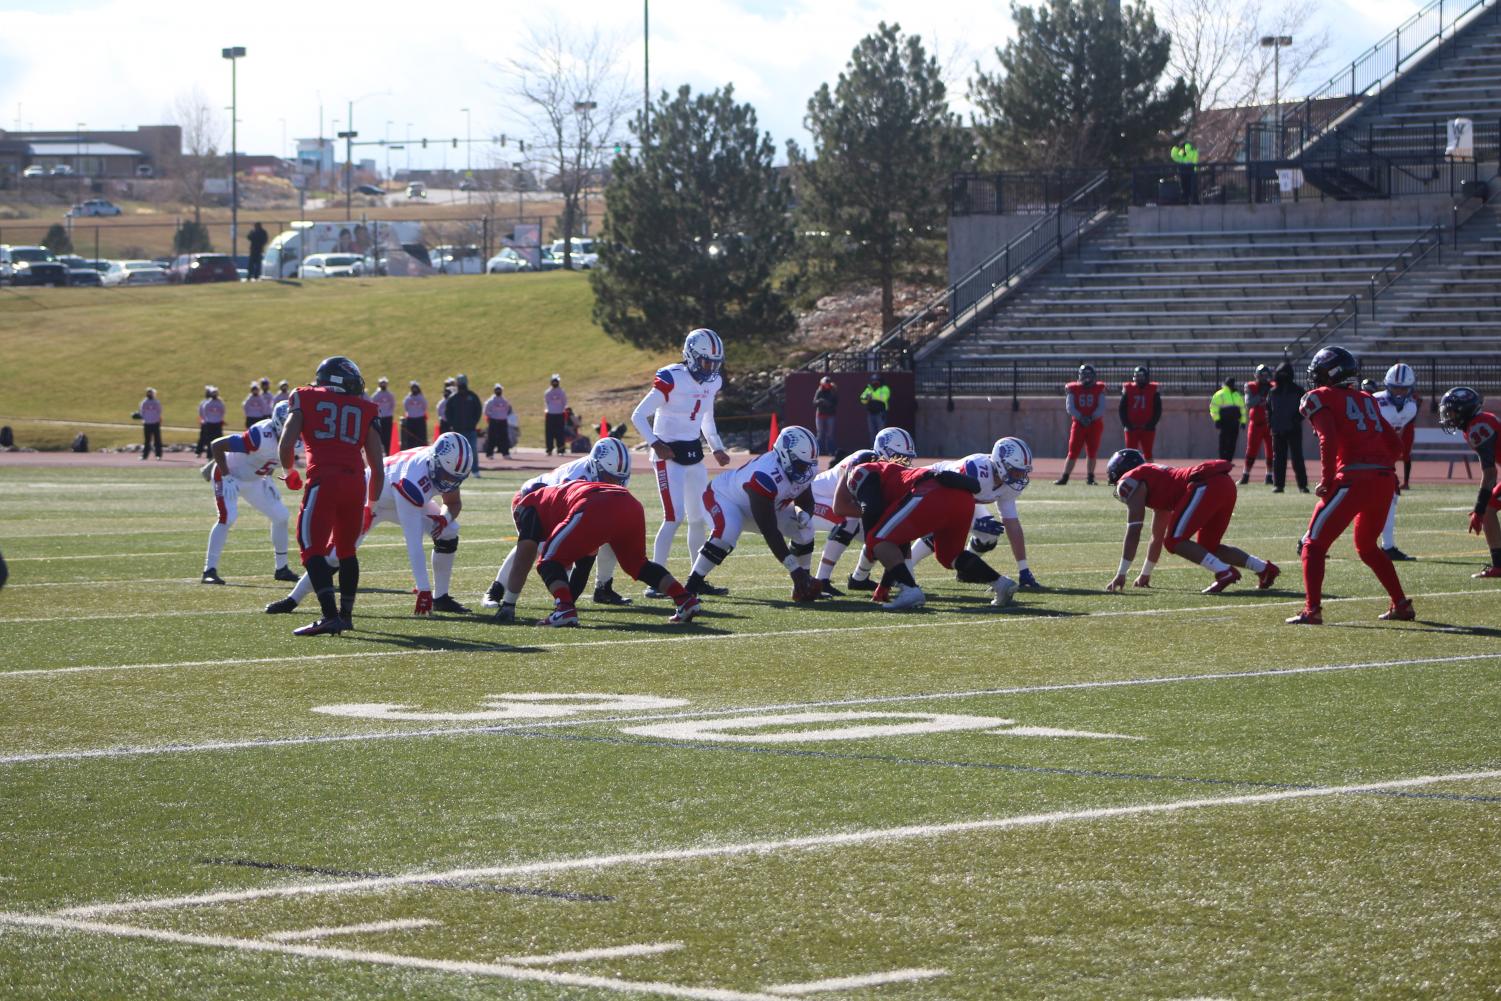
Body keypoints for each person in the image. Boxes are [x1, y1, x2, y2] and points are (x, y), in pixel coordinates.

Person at [268, 432, 472, 618]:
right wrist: (423, 587)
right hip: (369, 498)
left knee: (448, 531)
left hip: (397, 495)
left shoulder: (446, 468)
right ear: (434, 462)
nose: (449, 482)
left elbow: (453, 503)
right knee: (335, 556)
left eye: (455, 478)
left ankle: (441, 597)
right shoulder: (414, 477)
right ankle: (293, 599)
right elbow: (413, 540)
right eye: (447, 476)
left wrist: (444, 517)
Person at [1286, 346, 1412, 625]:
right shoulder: (1366, 399)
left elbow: (1327, 440)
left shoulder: (1318, 397)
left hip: (1353, 479)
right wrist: (1379, 467)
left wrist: (1329, 479)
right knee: (1367, 547)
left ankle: (1313, 609)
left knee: (1312, 544)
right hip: (1383, 479)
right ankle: (1401, 604)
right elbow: (1397, 447)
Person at [493, 477, 701, 628]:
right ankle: (684, 599)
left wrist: (509, 604)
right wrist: (568, 603)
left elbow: (523, 560)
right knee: (636, 564)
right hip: (628, 502)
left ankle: (563, 610)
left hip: (595, 504)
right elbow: (582, 568)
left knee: (547, 560)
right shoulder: (561, 499)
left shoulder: (531, 504)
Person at [277, 355, 385, 637]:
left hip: (324, 480)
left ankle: (329, 616)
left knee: (311, 547)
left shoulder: (304, 397)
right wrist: (371, 504)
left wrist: (289, 472)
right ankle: (345, 616)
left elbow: (287, 441)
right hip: (356, 483)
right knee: (347, 550)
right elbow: (377, 464)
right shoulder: (366, 408)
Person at [834, 455, 1019, 611]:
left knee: (876, 539)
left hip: (931, 490)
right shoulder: (893, 476)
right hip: (963, 498)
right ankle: (1001, 584)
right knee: (950, 555)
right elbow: (900, 541)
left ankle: (910, 590)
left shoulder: (860, 471)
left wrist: (872, 540)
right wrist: (884, 586)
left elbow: (871, 511)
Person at [630, 329, 730, 595]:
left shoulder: (713, 382)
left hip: (693, 453)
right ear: (692, 355)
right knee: (674, 517)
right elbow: (638, 415)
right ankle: (656, 581)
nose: (710, 368)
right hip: (668, 456)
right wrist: (655, 443)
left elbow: (707, 418)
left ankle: (695, 579)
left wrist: (716, 447)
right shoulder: (672, 377)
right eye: (706, 361)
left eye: (714, 363)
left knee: (698, 518)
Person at [483, 437, 636, 609]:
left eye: (619, 479)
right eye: (610, 477)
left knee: (612, 535)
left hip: (560, 504)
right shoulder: (576, 479)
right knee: (538, 548)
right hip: (531, 502)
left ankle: (602, 588)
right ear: (596, 466)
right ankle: (496, 591)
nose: (615, 484)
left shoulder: (604, 477)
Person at [1104, 448, 1279, 595]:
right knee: (1208, 546)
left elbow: (1134, 530)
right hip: (1224, 484)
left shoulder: (1129, 481)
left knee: (1174, 541)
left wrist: (1121, 573)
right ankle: (1264, 569)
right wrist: (1145, 574)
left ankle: (1224, 572)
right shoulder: (1155, 483)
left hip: (1205, 484)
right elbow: (1156, 537)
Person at [681, 425, 819, 600]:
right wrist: (793, 569)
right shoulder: (764, 475)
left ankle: (805, 582)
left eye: (808, 465)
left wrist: (804, 513)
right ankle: (692, 585)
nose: (805, 470)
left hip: (765, 507)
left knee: (805, 528)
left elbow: (805, 500)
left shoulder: (805, 468)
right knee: (728, 532)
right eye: (800, 465)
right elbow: (769, 530)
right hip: (725, 498)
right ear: (785, 455)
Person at [908, 436, 1043, 590]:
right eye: (1016, 471)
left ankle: (965, 572)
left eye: (1022, 472)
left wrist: (1023, 569)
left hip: (961, 501)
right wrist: (974, 523)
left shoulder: (1009, 485)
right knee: (944, 528)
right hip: (932, 488)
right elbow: (951, 503)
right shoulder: (977, 469)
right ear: (1000, 463)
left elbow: (1012, 524)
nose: (1019, 477)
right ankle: (904, 569)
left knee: (989, 536)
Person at [810, 427, 919, 595]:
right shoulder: (861, 461)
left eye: (907, 458)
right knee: (851, 521)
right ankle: (821, 580)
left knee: (887, 532)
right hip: (815, 498)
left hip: (842, 505)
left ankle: (859, 579)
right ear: (884, 451)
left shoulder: (890, 471)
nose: (904, 463)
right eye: (900, 457)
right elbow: (840, 507)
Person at [201, 401, 297, 586]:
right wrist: (227, 476)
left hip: (254, 480)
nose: (294, 429)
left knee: (281, 516)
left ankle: (282, 568)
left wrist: (268, 477)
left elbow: (272, 458)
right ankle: (209, 570)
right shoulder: (261, 434)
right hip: (229, 474)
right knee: (227, 518)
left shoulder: (298, 439)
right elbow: (217, 445)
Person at [1437, 386, 1501, 578]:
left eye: (1451, 412)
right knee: (1489, 509)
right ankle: (1499, 565)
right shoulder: (1478, 423)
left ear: (1464, 410)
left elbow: (1490, 474)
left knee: (1487, 509)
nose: (1448, 416)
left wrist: (1479, 509)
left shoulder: (1479, 427)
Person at [1375, 364, 1421, 561]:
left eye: (1403, 388)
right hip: (1360, 456)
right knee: (1342, 501)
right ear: (1387, 385)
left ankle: (1388, 546)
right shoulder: (1374, 401)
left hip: (1381, 459)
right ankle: (1309, 540)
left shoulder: (1411, 407)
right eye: (1395, 388)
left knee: (1392, 497)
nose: (1399, 392)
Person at [1055, 364, 1107, 485]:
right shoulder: (1073, 388)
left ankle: (1090, 477)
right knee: (1073, 451)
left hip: (1094, 424)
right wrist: (1081, 417)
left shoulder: (1099, 388)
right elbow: (1070, 407)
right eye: (1084, 375)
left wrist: (1091, 417)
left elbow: (1101, 407)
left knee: (1092, 452)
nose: (1086, 378)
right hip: (1078, 424)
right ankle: (1065, 477)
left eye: (1088, 376)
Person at [1267, 361, 1309, 493]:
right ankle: (1279, 485)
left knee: (1297, 458)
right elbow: (1268, 409)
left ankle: (1302, 485)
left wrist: (1296, 419)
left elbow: (1305, 408)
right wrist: (1271, 424)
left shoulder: (1298, 390)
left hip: (1293, 429)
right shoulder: (1273, 392)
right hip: (1278, 429)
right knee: (1278, 459)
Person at [1118, 365, 1161, 460]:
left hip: (1147, 427)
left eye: (1141, 376)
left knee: (1148, 453)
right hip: (1131, 428)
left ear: (1146, 377)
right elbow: (1122, 409)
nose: (1138, 379)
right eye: (1137, 376)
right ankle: (1131, 473)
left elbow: (1158, 410)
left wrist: (1151, 424)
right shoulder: (1128, 389)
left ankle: (1150, 472)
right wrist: (1127, 424)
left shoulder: (1153, 389)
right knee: (1130, 453)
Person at [1242, 364, 1275, 485]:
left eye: (1266, 375)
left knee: (1271, 451)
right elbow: (1249, 403)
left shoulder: (1272, 387)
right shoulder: (1251, 386)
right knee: (1251, 450)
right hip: (1256, 424)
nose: (1265, 378)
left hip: (1269, 423)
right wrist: (1261, 396)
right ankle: (1246, 474)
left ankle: (1269, 475)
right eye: (1263, 375)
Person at [445, 374, 483, 477]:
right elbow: (448, 413)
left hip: (470, 429)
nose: (462, 385)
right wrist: (453, 424)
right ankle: (457, 471)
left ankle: (475, 470)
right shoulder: (453, 398)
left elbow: (478, 410)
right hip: (458, 430)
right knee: (457, 452)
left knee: (473, 450)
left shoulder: (472, 396)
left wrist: (474, 422)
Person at [1210, 377, 1245, 462]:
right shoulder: (1219, 394)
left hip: (1235, 422)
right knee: (1223, 442)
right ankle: (1222, 460)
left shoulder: (1237, 395)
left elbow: (1242, 409)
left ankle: (1229, 460)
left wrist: (1243, 421)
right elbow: (1213, 408)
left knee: (1232, 442)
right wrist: (1217, 420)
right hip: (1224, 422)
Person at [484, 384, 512, 458]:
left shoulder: (504, 401)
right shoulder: (491, 401)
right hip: (494, 421)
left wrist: (503, 416)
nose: (498, 391)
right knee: (492, 438)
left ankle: (505, 453)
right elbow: (486, 411)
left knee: (504, 438)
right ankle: (490, 454)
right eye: (497, 390)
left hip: (503, 421)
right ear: (494, 391)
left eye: (499, 389)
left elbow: (508, 409)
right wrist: (491, 417)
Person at [196, 386, 225, 457]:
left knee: (219, 439)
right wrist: (206, 420)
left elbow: (223, 412)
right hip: (208, 423)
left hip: (217, 423)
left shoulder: (220, 402)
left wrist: (219, 419)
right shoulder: (207, 403)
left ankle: (220, 455)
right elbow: (203, 412)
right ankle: (208, 454)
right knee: (208, 439)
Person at [813, 376, 839, 456]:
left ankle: (831, 451)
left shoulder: (833, 390)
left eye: (828, 383)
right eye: (825, 383)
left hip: (830, 415)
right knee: (820, 434)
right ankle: (819, 451)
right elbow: (814, 402)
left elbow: (836, 403)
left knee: (830, 434)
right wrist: (821, 401)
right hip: (820, 415)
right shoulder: (819, 390)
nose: (826, 385)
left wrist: (829, 404)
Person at [860, 374, 891, 440]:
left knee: (881, 433)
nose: (875, 383)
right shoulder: (869, 388)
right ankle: (873, 448)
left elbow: (884, 397)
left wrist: (871, 396)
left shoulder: (884, 388)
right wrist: (866, 398)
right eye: (873, 381)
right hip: (871, 413)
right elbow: (862, 399)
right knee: (872, 433)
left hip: (880, 413)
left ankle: (882, 449)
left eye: (877, 381)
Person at [544, 374, 568, 455]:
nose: (555, 383)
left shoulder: (562, 392)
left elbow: (564, 402)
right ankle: (549, 449)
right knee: (549, 433)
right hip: (550, 414)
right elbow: (547, 402)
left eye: (556, 381)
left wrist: (560, 409)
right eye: (553, 381)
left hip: (559, 414)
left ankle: (561, 450)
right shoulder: (548, 392)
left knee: (560, 433)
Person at [371, 377, 397, 449]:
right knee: (380, 434)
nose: (383, 386)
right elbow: (372, 404)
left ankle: (387, 448)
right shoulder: (376, 395)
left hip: (388, 416)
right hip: (379, 416)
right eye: (382, 384)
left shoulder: (390, 394)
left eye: (384, 384)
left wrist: (389, 412)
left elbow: (393, 404)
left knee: (388, 434)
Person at [401, 381, 428, 448]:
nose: (414, 390)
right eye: (413, 388)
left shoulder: (421, 397)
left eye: (415, 388)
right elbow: (405, 407)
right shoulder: (408, 398)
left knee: (421, 436)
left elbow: (425, 406)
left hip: (420, 418)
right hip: (411, 418)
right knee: (411, 437)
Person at [138, 387, 162, 460]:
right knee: (147, 441)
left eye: (150, 393)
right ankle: (145, 455)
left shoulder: (156, 402)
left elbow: (159, 411)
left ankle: (158, 455)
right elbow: (142, 412)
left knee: (157, 440)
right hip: (147, 423)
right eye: (148, 392)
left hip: (155, 423)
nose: (149, 394)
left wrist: (156, 419)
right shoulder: (144, 402)